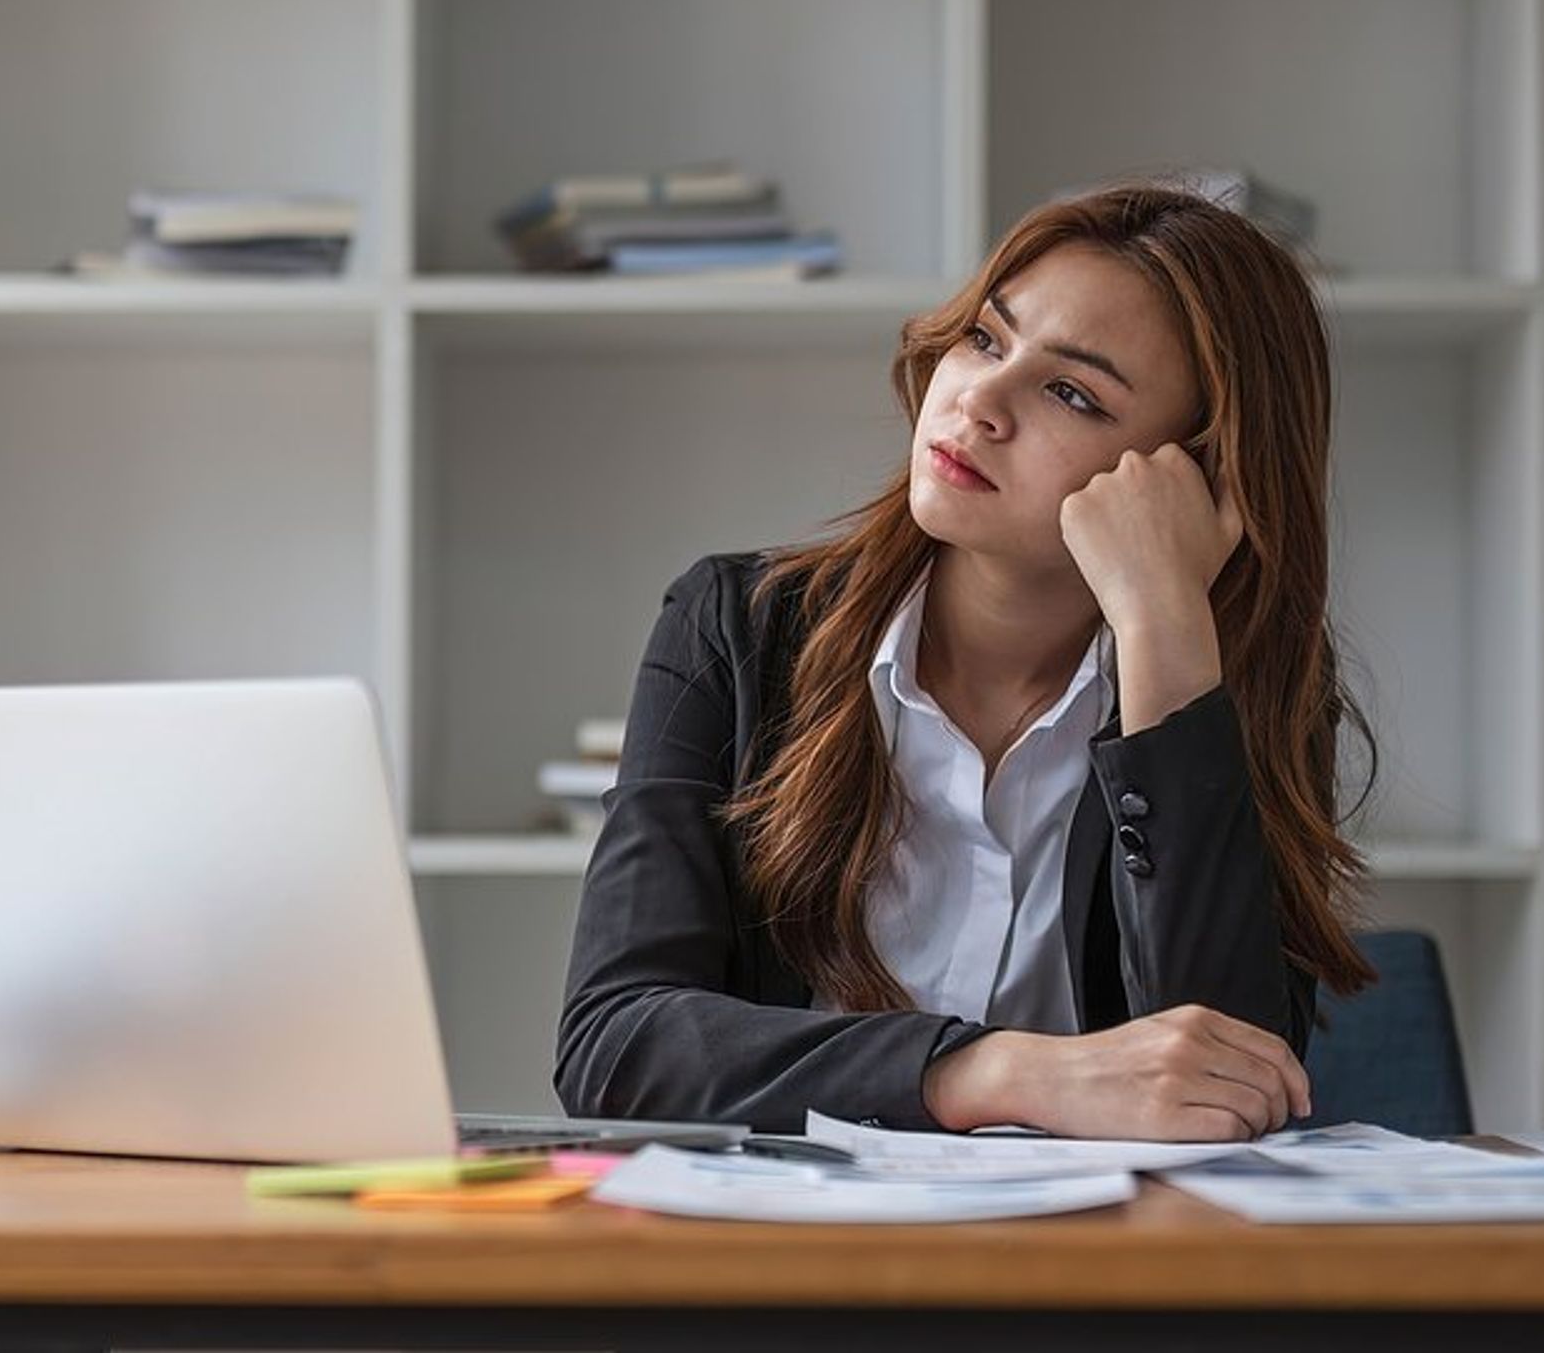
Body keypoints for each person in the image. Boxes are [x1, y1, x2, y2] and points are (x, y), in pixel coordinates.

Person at [555, 182, 1378, 1142]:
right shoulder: (736, 629)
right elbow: (615, 1046)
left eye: (1071, 393)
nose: (980, 400)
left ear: (1194, 476)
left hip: (1102, 1268)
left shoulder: (1228, 686)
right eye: (986, 339)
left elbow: (1230, 1087)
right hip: (782, 1256)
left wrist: (1165, 628)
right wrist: (995, 1070)